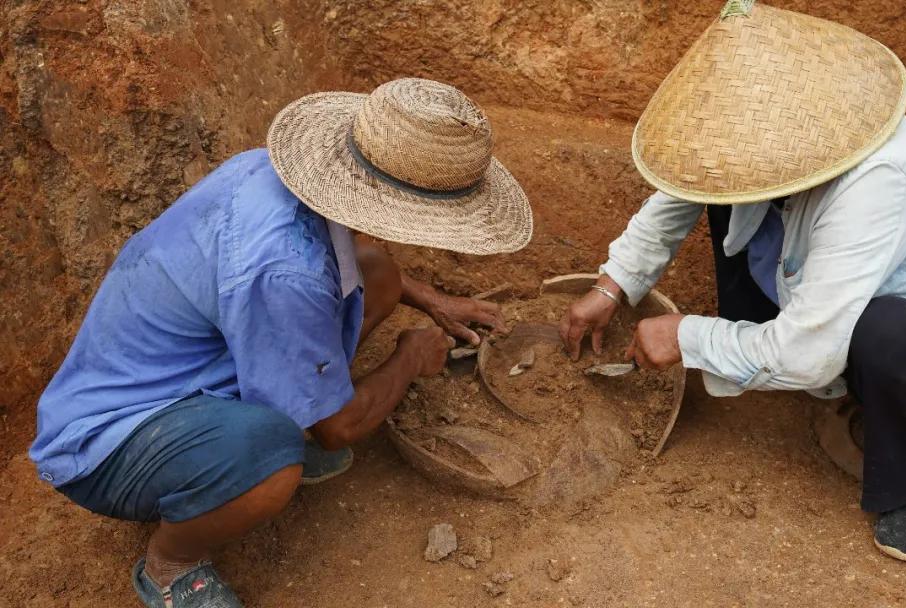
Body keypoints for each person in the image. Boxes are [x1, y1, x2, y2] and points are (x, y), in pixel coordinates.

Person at [30, 78, 532, 607]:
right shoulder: (285, 270)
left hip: (184, 361)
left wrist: (433, 300)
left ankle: (255, 431)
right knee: (273, 456)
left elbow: (357, 257)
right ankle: (171, 564)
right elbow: (339, 431)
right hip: (111, 439)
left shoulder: (272, 174)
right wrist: (408, 360)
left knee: (380, 273)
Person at [561, 1, 906, 562]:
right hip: (833, 314)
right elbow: (682, 191)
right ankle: (820, 384)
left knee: (886, 330)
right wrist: (613, 285)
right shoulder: (766, 150)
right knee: (724, 194)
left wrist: (689, 337)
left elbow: (812, 352)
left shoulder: (876, 182)